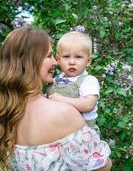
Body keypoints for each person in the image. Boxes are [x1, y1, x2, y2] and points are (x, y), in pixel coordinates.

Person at [0, 27, 112, 171]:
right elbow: (102, 168)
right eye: (49, 56)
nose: (55, 62)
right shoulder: (63, 113)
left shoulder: (7, 111)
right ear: (30, 61)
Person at [46, 31, 100, 134]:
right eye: (66, 56)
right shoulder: (55, 80)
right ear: (58, 59)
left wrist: (61, 99)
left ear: (88, 61)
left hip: (83, 132)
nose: (72, 62)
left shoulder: (89, 81)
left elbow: (88, 105)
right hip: (60, 129)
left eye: (78, 57)